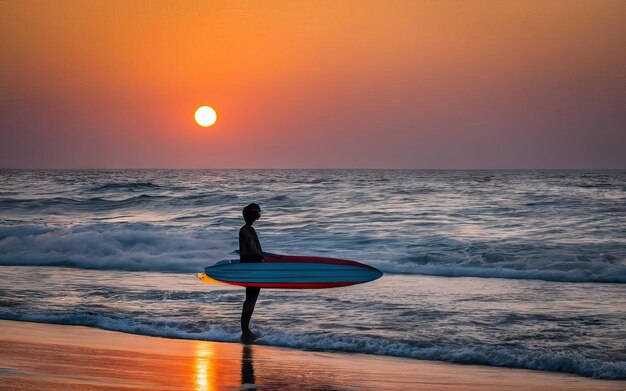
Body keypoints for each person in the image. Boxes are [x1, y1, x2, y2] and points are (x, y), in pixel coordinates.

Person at [239, 203, 266, 344]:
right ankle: (245, 332)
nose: (257, 217)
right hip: (250, 268)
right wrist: (263, 256)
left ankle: (246, 331)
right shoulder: (245, 230)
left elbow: (256, 249)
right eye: (256, 214)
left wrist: (267, 256)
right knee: (250, 299)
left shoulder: (249, 229)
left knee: (251, 299)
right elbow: (252, 250)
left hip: (254, 267)